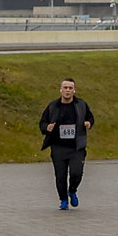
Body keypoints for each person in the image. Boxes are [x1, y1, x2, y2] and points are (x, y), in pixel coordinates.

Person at [38, 76, 94, 209]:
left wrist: (89, 123)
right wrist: (47, 128)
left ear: (74, 90)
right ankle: (63, 200)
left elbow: (90, 117)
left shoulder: (81, 105)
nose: (67, 90)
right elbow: (42, 122)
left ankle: (73, 190)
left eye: (70, 88)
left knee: (76, 172)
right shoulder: (53, 106)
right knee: (60, 175)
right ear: (60, 90)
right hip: (58, 146)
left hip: (76, 146)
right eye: (65, 88)